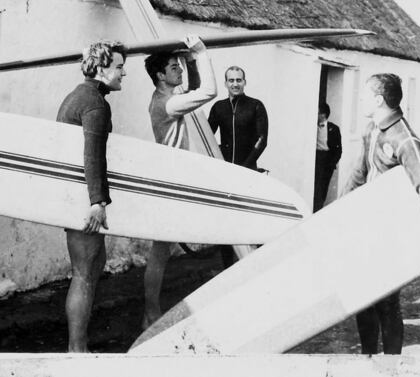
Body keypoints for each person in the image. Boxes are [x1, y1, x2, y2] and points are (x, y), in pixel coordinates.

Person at [342, 73, 420, 355]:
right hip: (365, 231)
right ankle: (368, 362)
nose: (360, 99)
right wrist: (334, 215)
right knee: (363, 299)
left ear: (379, 100)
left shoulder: (405, 139)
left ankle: (393, 366)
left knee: (387, 302)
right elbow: (359, 174)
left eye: (365, 95)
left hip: (390, 235)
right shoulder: (372, 130)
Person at [56, 40, 127, 352]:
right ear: (101, 68)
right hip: (82, 201)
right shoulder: (94, 104)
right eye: (120, 67)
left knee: (95, 265)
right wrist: (97, 203)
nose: (124, 74)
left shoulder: (80, 94)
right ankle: (77, 352)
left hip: (76, 195)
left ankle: (79, 346)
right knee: (84, 274)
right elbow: (92, 156)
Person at [143, 34, 217, 328]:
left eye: (179, 66)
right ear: (160, 76)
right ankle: (149, 314)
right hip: (169, 183)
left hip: (172, 179)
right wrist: (201, 52)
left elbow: (196, 88)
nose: (179, 71)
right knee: (160, 251)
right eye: (174, 67)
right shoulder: (168, 104)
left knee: (162, 250)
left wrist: (189, 60)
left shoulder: (165, 98)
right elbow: (209, 91)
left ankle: (149, 313)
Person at [207, 66, 269, 267]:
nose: (235, 84)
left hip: (247, 171)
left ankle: (254, 263)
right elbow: (207, 136)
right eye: (231, 80)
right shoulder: (218, 108)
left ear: (245, 82)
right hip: (225, 173)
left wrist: (244, 168)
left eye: (239, 80)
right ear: (225, 83)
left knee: (250, 218)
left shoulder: (255, 106)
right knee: (227, 220)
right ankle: (228, 267)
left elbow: (262, 140)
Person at [313, 102, 342, 212]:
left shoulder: (334, 129)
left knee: (322, 189)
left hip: (326, 161)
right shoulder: (311, 127)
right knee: (313, 188)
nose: (315, 114)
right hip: (315, 158)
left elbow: (338, 150)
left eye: (318, 112)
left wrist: (331, 164)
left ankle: (318, 210)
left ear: (323, 115)